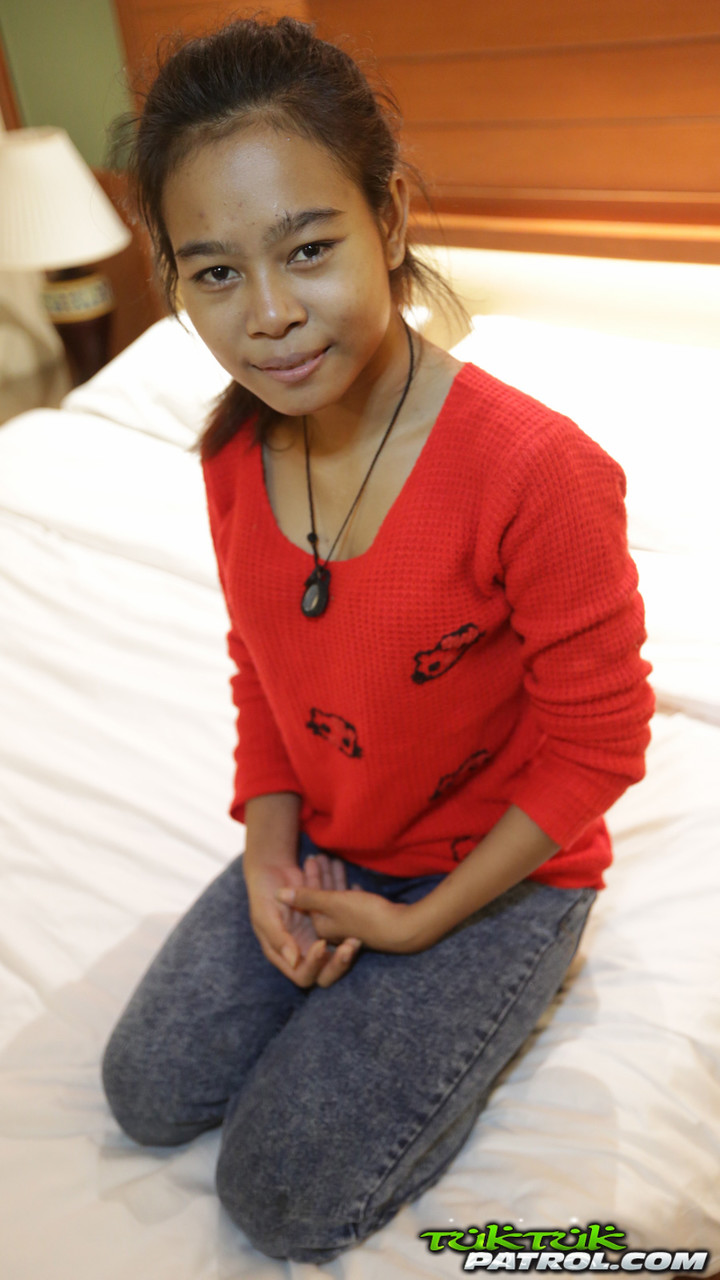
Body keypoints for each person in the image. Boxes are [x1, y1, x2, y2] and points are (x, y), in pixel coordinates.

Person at [101, 14, 655, 1264]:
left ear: (389, 218)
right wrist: (267, 848)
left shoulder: (537, 471)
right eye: (215, 273)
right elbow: (263, 669)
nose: (270, 316)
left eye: (308, 249)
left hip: (498, 867)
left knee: (282, 1195)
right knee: (146, 1090)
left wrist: (420, 923)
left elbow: (602, 741)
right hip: (330, 835)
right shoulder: (235, 449)